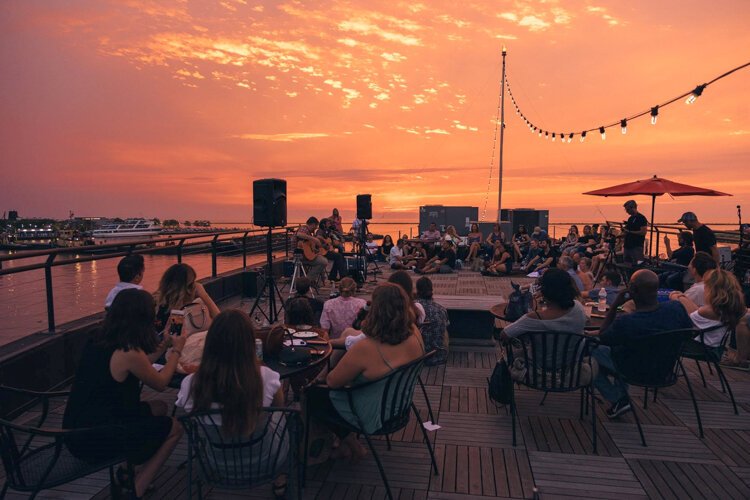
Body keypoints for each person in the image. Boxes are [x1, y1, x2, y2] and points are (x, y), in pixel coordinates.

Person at [63, 289, 185, 498]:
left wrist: (164, 344)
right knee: (175, 427)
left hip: (76, 429)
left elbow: (142, 365)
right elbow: (161, 383)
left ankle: (127, 472)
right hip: (95, 439)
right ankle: (136, 489)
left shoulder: (98, 339)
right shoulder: (128, 351)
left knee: (160, 408)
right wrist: (176, 351)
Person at [305, 283, 425, 460]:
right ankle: (342, 442)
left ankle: (350, 446)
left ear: (375, 311)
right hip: (399, 406)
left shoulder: (366, 349)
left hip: (372, 415)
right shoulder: (414, 332)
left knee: (311, 395)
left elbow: (332, 381)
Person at [175, 310, 288, 497]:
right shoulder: (266, 378)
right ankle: (280, 478)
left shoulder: (191, 384)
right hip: (267, 460)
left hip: (214, 463)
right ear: (249, 343)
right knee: (282, 416)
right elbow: (280, 408)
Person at [591, 270, 693, 418]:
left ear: (632, 290)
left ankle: (618, 398)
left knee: (588, 350)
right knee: (615, 350)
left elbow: (603, 336)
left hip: (634, 372)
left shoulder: (627, 322)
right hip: (665, 371)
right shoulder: (676, 309)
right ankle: (619, 400)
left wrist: (614, 306)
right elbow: (688, 333)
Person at [672, 269, 746, 351]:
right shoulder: (726, 307)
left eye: (705, 285)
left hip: (701, 348)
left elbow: (688, 319)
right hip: (715, 346)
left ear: (712, 289)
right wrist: (683, 297)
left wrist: (676, 297)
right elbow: (696, 311)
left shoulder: (709, 310)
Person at [502, 268, 586, 339]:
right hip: (574, 358)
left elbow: (504, 334)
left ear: (544, 291)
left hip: (540, 358)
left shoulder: (534, 318)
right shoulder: (579, 307)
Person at [154, 263, 220, 333]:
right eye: (192, 283)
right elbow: (221, 322)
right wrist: (204, 295)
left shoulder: (161, 302)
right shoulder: (173, 310)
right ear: (187, 288)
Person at [415, 277, 450, 365]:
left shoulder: (413, 307)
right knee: (445, 327)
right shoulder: (441, 309)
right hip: (440, 356)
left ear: (417, 290)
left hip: (418, 358)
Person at [622, 200, 648, 264]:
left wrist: (629, 231)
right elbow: (628, 230)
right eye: (626, 210)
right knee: (627, 263)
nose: (626, 212)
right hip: (627, 246)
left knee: (639, 264)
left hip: (636, 246)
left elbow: (643, 232)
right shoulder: (630, 218)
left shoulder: (641, 218)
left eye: (627, 210)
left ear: (633, 208)